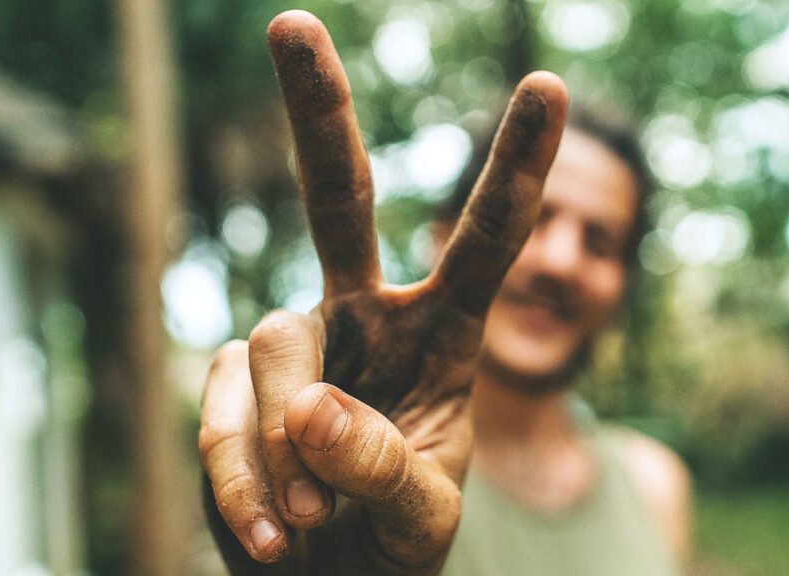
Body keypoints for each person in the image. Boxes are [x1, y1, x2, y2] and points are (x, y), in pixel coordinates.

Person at [198, 9, 691, 576]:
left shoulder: (657, 484)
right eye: (532, 224)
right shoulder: (344, 475)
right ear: (445, 238)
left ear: (623, 284)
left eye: (600, 242)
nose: (560, 262)